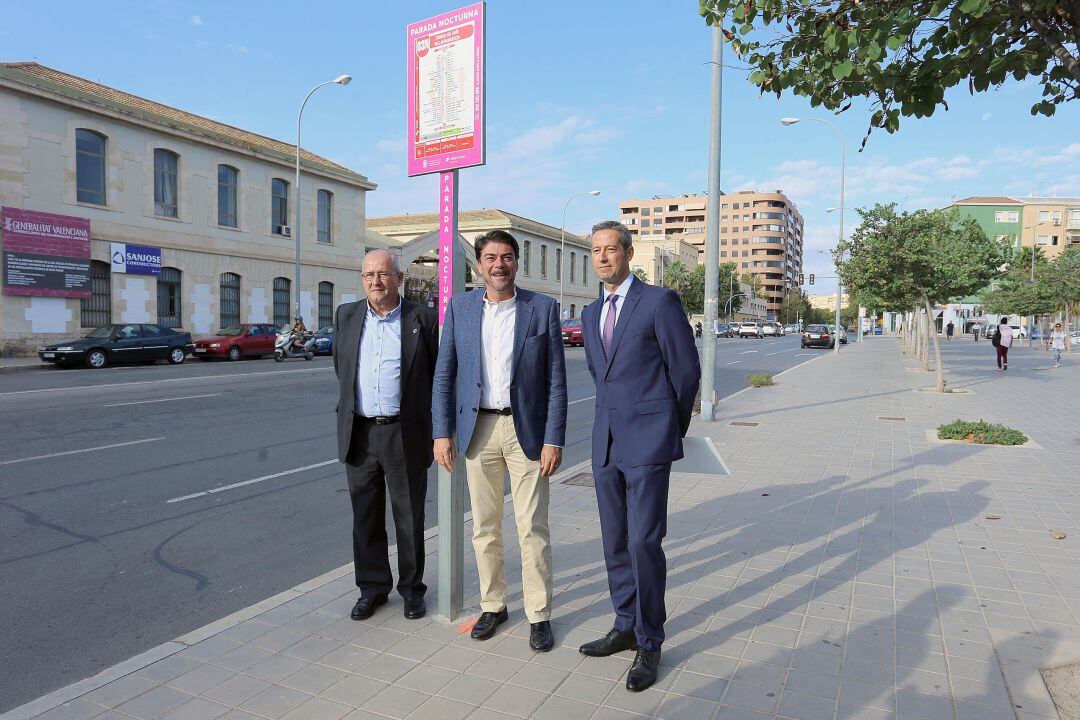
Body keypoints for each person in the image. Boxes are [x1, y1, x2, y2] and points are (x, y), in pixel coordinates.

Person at [578, 221, 700, 692]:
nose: (603, 258)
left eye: (611, 250)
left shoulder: (658, 302)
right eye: (597, 251)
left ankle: (651, 640)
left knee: (644, 542)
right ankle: (625, 624)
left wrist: (670, 427)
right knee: (614, 541)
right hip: (605, 443)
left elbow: (685, 371)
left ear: (628, 253)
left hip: (648, 443)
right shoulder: (591, 314)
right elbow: (599, 373)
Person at [432, 229, 567, 652]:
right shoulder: (461, 308)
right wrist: (441, 432)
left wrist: (553, 438)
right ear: (479, 264)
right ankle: (493, 605)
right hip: (478, 431)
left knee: (533, 529)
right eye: (490, 257)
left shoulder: (541, 308)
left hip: (526, 431)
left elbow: (556, 382)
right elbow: (444, 374)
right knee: (485, 529)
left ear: (516, 262)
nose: (499, 265)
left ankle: (539, 614)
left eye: (506, 257)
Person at [333, 250, 438, 622]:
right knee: (365, 517)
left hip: (403, 432)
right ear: (362, 279)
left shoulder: (421, 318)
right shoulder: (346, 316)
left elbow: (434, 373)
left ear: (399, 278)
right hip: (360, 432)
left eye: (383, 274)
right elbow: (340, 368)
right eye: (369, 275)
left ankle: (412, 591)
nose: (376, 281)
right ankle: (372, 589)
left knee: (408, 517)